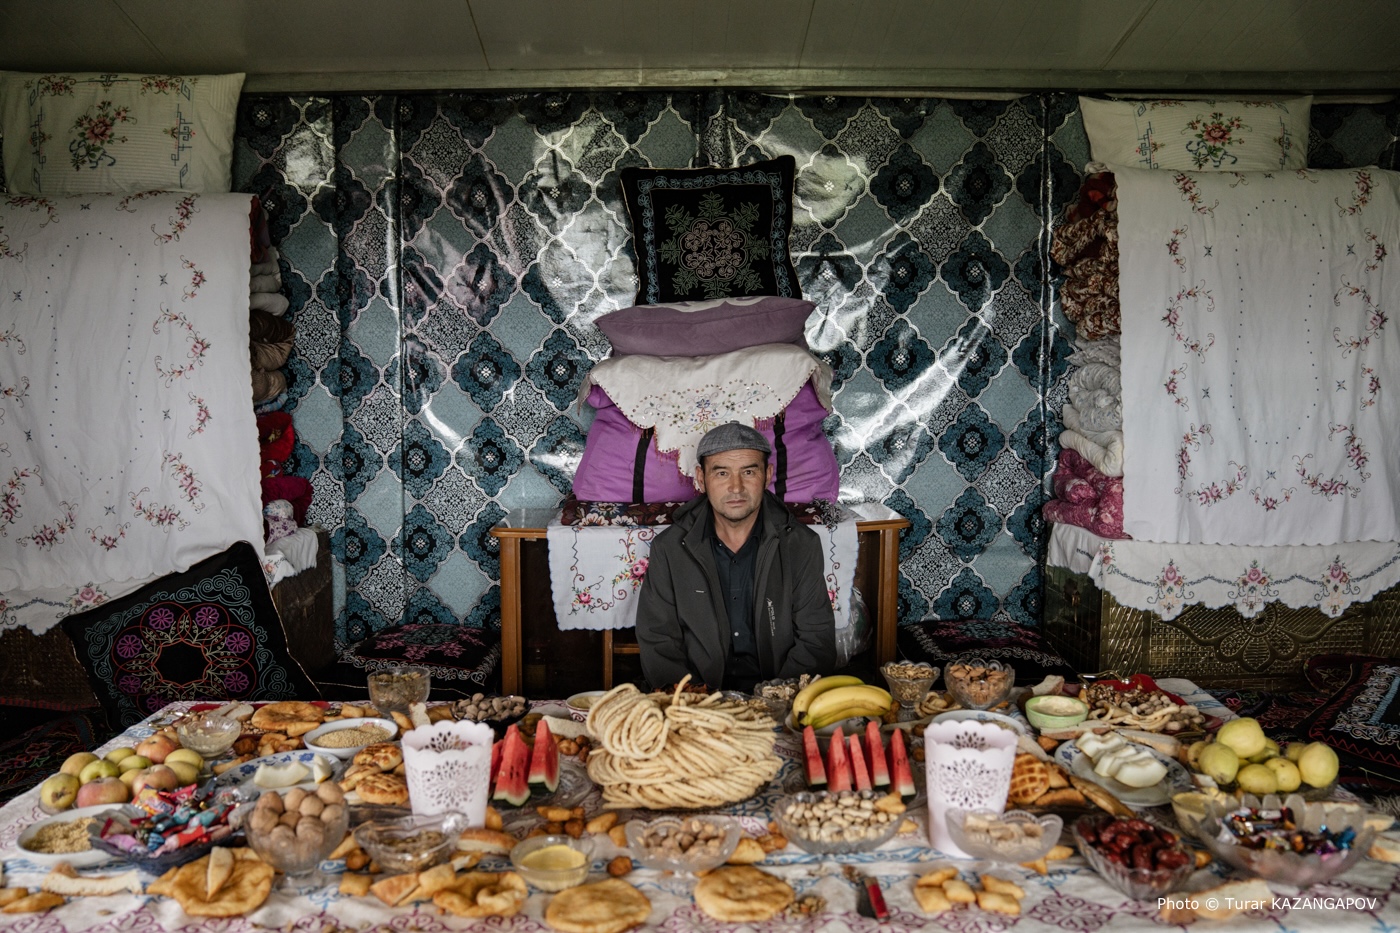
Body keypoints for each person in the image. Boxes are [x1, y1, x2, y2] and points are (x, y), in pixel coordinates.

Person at [635, 421, 837, 692]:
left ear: (767, 475)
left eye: (749, 472)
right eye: (721, 473)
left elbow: (816, 640)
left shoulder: (800, 545)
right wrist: (694, 701)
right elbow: (658, 639)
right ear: (700, 479)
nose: (736, 487)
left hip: (779, 700)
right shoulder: (670, 548)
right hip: (698, 704)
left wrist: (775, 699)